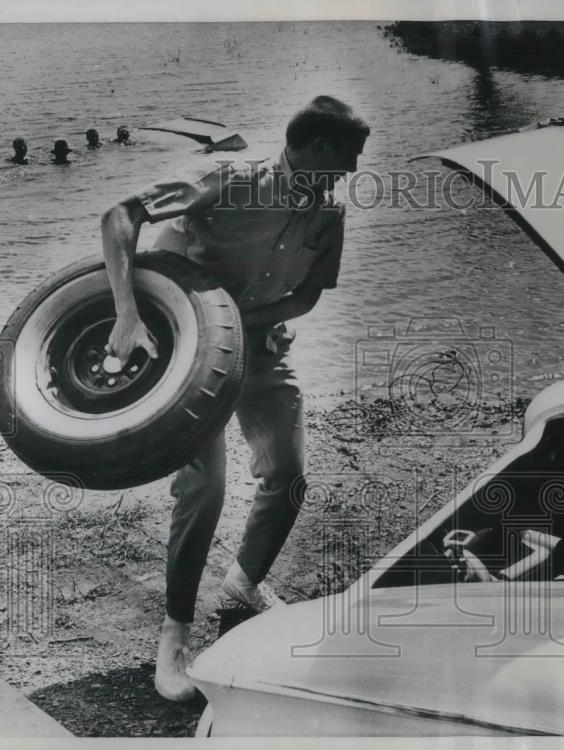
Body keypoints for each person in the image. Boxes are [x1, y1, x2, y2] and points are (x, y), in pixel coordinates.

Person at [100, 95, 369, 702]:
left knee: (290, 474)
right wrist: (126, 312)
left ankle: (242, 585)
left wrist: (248, 322)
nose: (353, 168)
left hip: (260, 347)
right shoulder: (228, 180)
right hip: (192, 351)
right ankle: (174, 635)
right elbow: (120, 215)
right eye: (350, 154)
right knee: (207, 483)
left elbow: (306, 299)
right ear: (320, 147)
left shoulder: (329, 212)